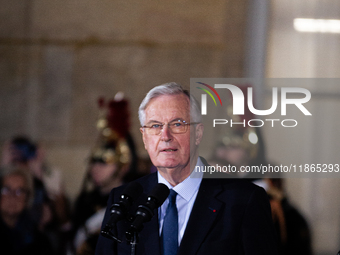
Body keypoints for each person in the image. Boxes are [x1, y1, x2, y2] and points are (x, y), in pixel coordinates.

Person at [96, 82, 278, 255]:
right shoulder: (124, 200)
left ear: (198, 133)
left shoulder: (244, 200)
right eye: (155, 126)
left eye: (177, 124)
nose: (165, 136)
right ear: (144, 137)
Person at [71, 94, 141, 255]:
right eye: (94, 161)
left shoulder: (134, 203)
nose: (96, 167)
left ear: (123, 166)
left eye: (104, 162)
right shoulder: (84, 201)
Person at [0, 166, 54, 255]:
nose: (13, 197)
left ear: (27, 198)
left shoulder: (39, 240)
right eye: (6, 190)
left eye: (19, 191)